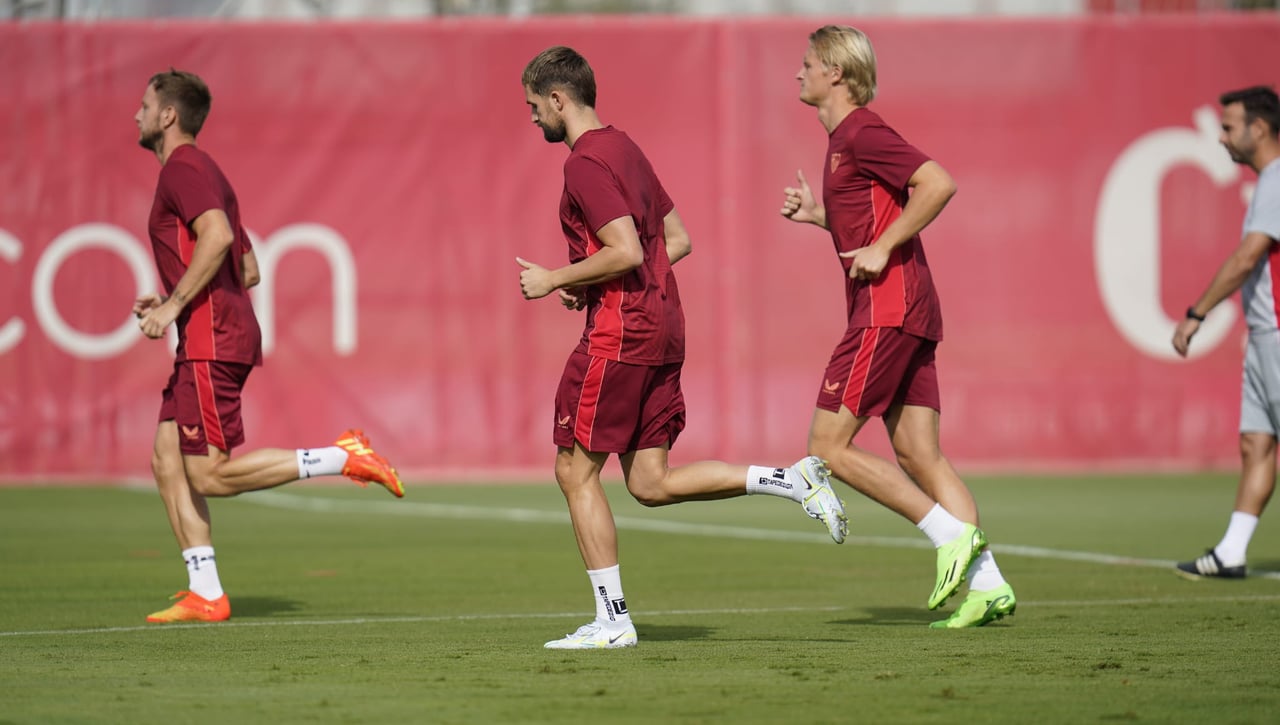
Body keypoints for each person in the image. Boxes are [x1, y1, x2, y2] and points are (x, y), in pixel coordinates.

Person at [516, 46, 848, 650]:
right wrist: (589, 280)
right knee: (649, 482)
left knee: (573, 471)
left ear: (559, 99)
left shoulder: (585, 162)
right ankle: (792, 480)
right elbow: (678, 240)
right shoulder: (626, 147)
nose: (534, 118)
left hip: (620, 333)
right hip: (663, 326)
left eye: (535, 107)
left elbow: (629, 250)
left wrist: (557, 279)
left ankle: (613, 622)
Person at [132, 69, 405, 623]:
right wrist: (170, 298)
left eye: (143, 105)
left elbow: (220, 238)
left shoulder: (183, 168)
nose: (135, 115)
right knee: (166, 460)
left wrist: (172, 305)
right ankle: (205, 591)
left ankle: (342, 457)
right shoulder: (206, 172)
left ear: (168, 116)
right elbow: (249, 268)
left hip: (211, 338)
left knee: (207, 474)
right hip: (211, 333)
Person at [779, 25, 1015, 628]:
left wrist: (884, 246)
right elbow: (869, 217)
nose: (798, 72)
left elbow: (938, 183)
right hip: (906, 308)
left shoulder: (862, 129)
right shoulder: (841, 141)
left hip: (888, 308)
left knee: (826, 448)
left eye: (807, 64)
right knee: (918, 453)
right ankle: (988, 586)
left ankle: (948, 538)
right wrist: (821, 217)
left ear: (836, 71)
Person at [1173, 86, 1280, 580]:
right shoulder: (1268, 182)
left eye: (1229, 126)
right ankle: (1231, 552)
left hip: (1278, 333)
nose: (1221, 138)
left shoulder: (1278, 179)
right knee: (1256, 444)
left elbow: (1246, 258)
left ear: (1259, 128)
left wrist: (1198, 312)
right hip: (1263, 336)